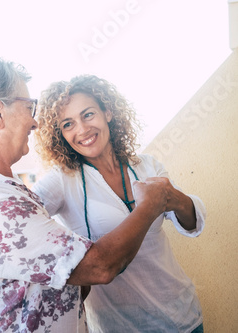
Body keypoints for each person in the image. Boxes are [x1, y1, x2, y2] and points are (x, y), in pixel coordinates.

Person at [0, 55, 170, 333]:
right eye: (29, 107)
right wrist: (149, 207)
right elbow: (101, 267)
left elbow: (47, 269)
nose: (35, 122)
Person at [32, 74, 206, 333]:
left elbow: (191, 224)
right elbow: (23, 221)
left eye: (88, 115)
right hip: (120, 326)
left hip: (182, 317)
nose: (82, 130)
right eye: (68, 124)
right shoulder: (61, 180)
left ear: (108, 112)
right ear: (61, 134)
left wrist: (172, 196)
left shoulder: (146, 165)